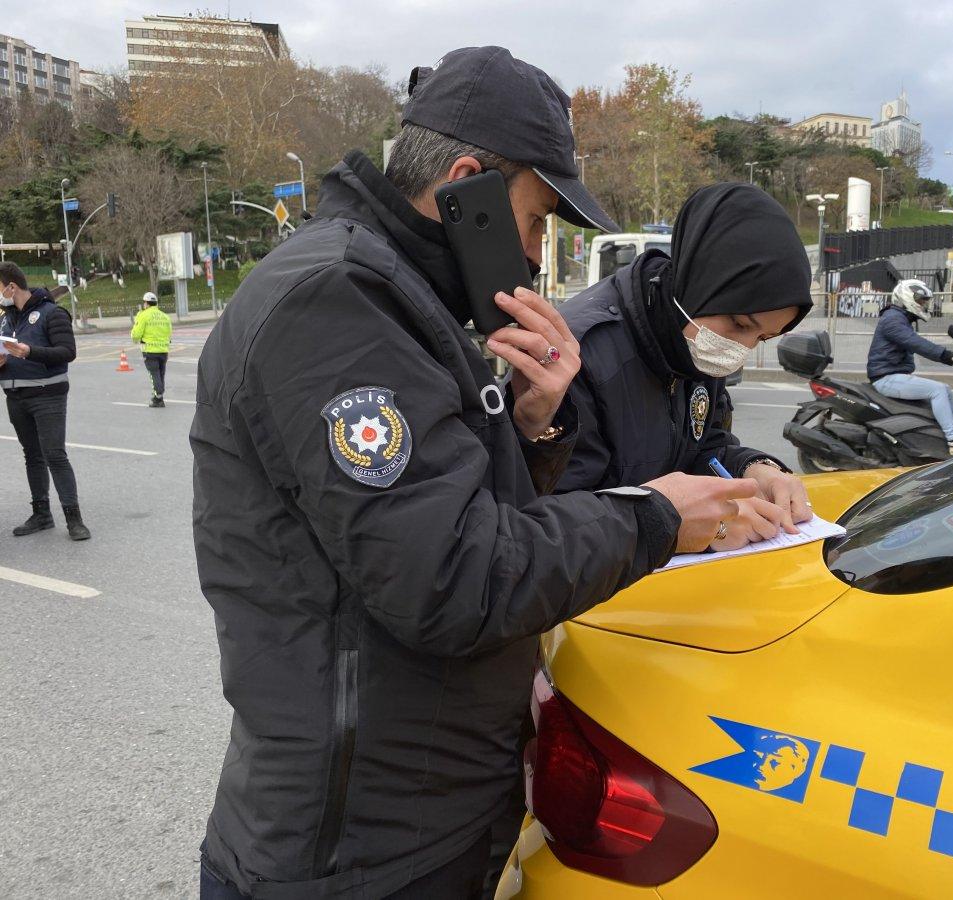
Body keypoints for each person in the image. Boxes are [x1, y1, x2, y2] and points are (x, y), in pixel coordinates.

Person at [191, 46, 754, 900]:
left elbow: (433, 517)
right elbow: (452, 580)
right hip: (354, 854)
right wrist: (652, 517)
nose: (532, 257)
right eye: (534, 221)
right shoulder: (338, 299)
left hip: (411, 816)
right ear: (465, 185)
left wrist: (532, 423)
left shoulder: (399, 296)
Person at [557, 182, 814, 540]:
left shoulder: (692, 341)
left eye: (762, 339)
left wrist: (755, 470)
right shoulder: (580, 351)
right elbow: (557, 522)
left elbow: (706, 448)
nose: (740, 350)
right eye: (740, 325)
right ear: (701, 282)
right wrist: (677, 531)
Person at [0, 261, 90, 540]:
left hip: (47, 396)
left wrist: (30, 352)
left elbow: (67, 352)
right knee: (32, 456)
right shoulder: (6, 319)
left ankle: (74, 519)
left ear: (11, 287)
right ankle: (41, 514)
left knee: (55, 455)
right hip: (15, 397)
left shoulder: (52, 313)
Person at [866, 278, 953, 455]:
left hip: (894, 375)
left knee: (944, 388)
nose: (924, 305)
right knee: (936, 390)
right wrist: (950, 356)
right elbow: (917, 344)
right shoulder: (892, 320)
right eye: (921, 301)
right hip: (886, 378)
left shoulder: (900, 318)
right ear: (908, 298)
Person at [131, 291, 172, 407]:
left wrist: (134, 336)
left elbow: (136, 334)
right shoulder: (165, 316)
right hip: (163, 350)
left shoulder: (143, 315)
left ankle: (158, 397)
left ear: (146, 303)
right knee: (160, 374)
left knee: (154, 374)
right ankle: (159, 396)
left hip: (149, 350)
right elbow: (169, 333)